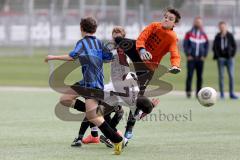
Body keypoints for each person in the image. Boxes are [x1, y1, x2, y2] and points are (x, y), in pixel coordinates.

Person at [44, 17, 123, 155]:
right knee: (65, 99)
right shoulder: (100, 43)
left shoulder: (82, 43)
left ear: (81, 28)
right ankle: (95, 113)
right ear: (95, 29)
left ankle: (116, 139)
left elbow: (72, 56)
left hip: (91, 85)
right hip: (85, 82)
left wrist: (52, 57)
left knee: (94, 118)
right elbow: (108, 58)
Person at [113, 8, 181, 145]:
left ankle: (129, 131)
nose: (166, 19)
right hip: (139, 54)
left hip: (148, 67)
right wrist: (142, 49)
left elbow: (175, 53)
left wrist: (175, 66)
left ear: (175, 24)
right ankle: (118, 61)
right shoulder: (154, 26)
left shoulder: (172, 37)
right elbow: (142, 37)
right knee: (119, 39)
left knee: (137, 100)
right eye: (166, 17)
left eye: (170, 19)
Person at [183, 16, 209, 98]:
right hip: (191, 58)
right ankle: (188, 91)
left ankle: (198, 93)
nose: (198, 23)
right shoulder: (189, 33)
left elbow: (207, 45)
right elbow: (185, 45)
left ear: (201, 23)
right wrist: (188, 55)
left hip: (200, 59)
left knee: (199, 77)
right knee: (190, 75)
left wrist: (204, 55)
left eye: (200, 22)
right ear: (194, 23)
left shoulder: (204, 34)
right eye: (197, 22)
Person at [213, 21, 238, 99]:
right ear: (219, 28)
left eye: (223, 27)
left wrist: (232, 55)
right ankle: (222, 94)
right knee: (221, 76)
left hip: (229, 59)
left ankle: (231, 93)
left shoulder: (230, 35)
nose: (222, 28)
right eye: (221, 27)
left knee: (231, 76)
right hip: (221, 59)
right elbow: (214, 47)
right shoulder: (217, 36)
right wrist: (218, 56)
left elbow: (234, 46)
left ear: (226, 27)